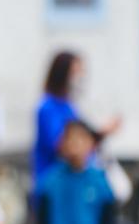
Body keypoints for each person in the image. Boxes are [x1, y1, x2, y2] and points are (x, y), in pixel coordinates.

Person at [32, 51, 122, 184]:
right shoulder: (47, 108)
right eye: (76, 73)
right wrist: (100, 134)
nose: (80, 78)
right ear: (62, 74)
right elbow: (64, 147)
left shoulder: (70, 107)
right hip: (55, 187)